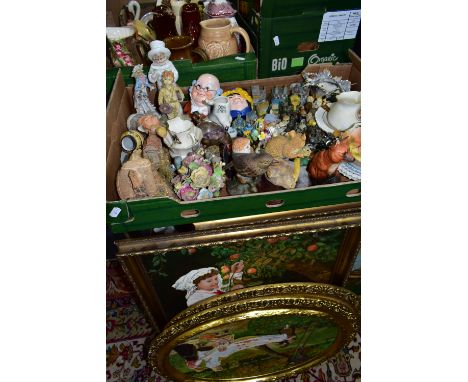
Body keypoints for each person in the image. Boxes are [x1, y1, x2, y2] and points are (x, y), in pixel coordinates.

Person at [172, 263, 244, 307]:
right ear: (196, 284)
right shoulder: (195, 298)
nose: (215, 282)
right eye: (209, 281)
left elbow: (230, 284)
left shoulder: (216, 289)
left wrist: (236, 272)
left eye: (216, 279)